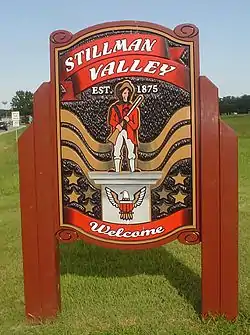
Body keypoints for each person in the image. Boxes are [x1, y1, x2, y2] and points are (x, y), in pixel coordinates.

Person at [108, 80, 140, 172]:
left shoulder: (134, 109)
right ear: (120, 94)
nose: (126, 95)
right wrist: (117, 125)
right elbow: (111, 121)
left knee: (131, 153)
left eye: (128, 93)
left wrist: (128, 121)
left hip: (129, 133)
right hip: (118, 132)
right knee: (116, 152)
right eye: (124, 93)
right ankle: (117, 171)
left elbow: (135, 126)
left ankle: (133, 170)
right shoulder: (114, 107)